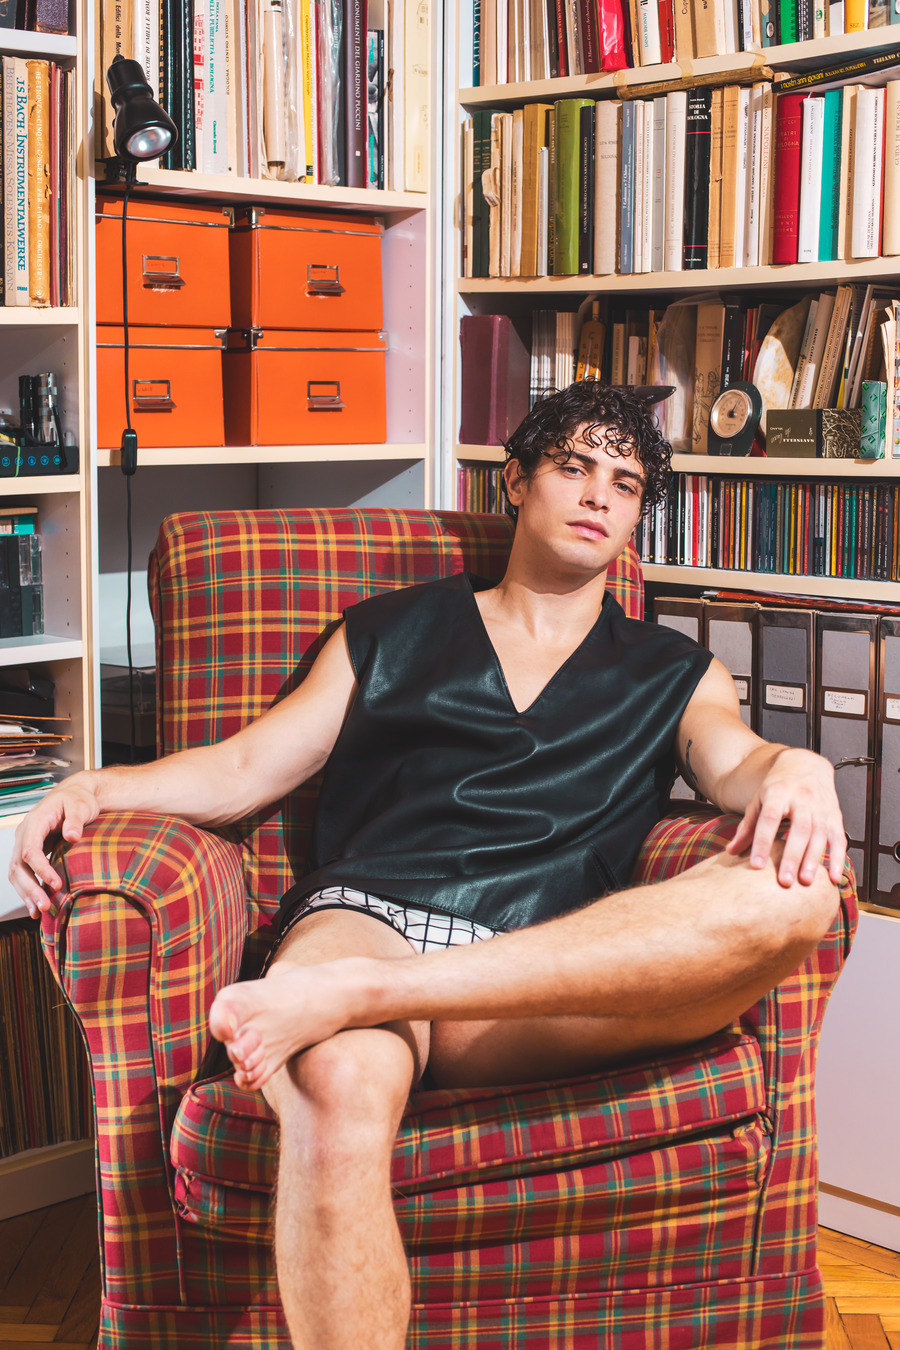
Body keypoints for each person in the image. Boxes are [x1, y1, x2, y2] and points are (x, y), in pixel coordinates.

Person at [10, 383, 846, 1350]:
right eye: (573, 467)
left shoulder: (677, 672)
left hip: (541, 977)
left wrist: (802, 767)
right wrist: (97, 786)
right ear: (516, 482)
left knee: (799, 893)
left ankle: (362, 996)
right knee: (337, 1083)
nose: (597, 497)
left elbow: (738, 763)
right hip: (368, 918)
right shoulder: (390, 629)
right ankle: (358, 993)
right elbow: (243, 771)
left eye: (624, 484)